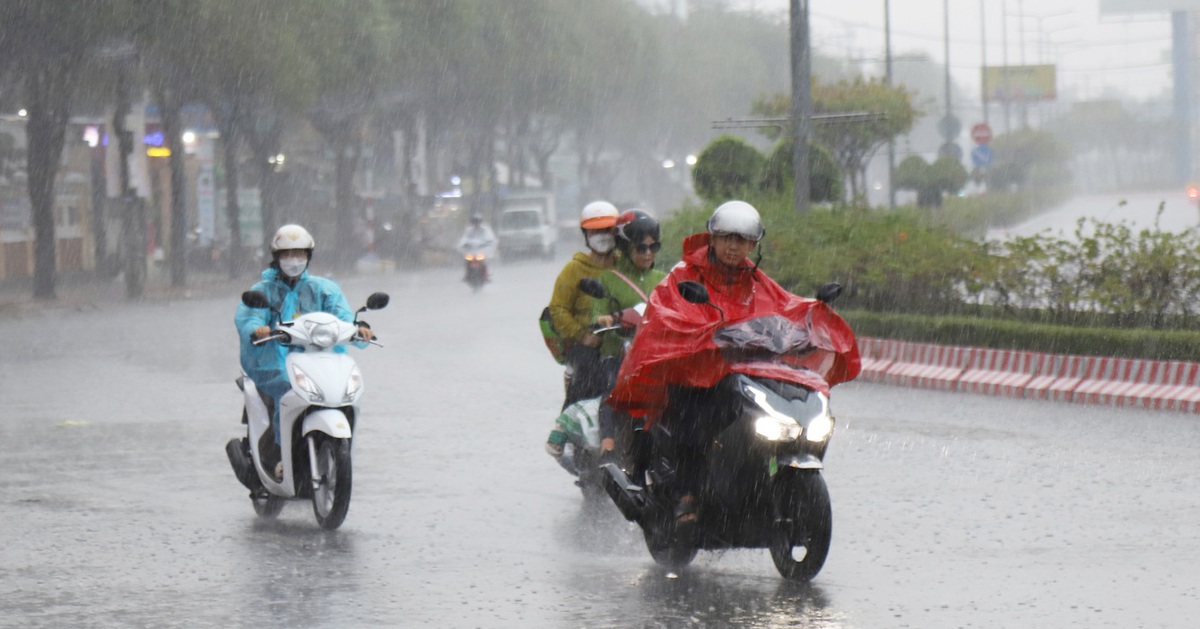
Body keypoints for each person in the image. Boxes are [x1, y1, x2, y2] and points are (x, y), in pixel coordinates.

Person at [607, 200, 858, 527]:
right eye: (727, 238)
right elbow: (667, 315)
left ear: (753, 245)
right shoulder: (684, 276)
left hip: (740, 375)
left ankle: (755, 484)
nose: (733, 246)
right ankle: (686, 493)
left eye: (742, 240)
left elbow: (785, 306)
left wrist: (813, 314)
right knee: (696, 420)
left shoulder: (756, 281)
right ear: (712, 238)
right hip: (693, 374)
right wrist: (701, 336)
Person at [234, 224, 374, 476]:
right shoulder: (262, 291)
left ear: (308, 256)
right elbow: (249, 318)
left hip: (319, 360)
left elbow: (343, 316)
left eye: (299, 254)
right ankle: (278, 455)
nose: (294, 260)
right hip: (272, 363)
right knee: (288, 391)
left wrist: (360, 327)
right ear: (276, 257)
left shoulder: (324, 289)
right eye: (287, 254)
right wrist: (257, 329)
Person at [590, 210, 665, 462]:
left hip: (653, 355)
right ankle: (607, 446)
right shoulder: (608, 280)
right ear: (625, 247)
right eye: (641, 247)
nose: (648, 253)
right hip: (617, 353)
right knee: (613, 390)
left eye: (654, 247)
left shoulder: (664, 280)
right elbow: (597, 310)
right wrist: (603, 318)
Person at [546, 200, 620, 414]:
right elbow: (558, 309)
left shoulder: (626, 266)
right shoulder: (573, 270)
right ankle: (569, 421)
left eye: (607, 230)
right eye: (595, 231)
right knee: (585, 378)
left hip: (622, 342)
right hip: (588, 345)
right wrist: (583, 336)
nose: (602, 236)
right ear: (585, 234)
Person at [456, 212, 497, 280]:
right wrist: (464, 243)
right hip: (471, 251)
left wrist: (487, 242)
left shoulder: (485, 229)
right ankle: (467, 274)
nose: (476, 224)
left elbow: (490, 238)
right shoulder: (469, 230)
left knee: (484, 261)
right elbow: (464, 238)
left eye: (477, 222)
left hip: (481, 250)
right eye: (475, 222)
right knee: (467, 261)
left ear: (480, 222)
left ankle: (485, 274)